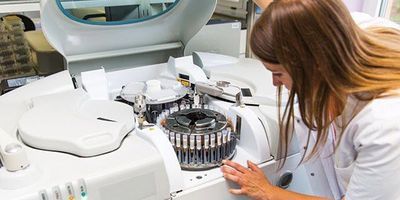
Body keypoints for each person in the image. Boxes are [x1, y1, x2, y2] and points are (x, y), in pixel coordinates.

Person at [220, 0, 400, 199]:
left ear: (314, 65)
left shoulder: (382, 125)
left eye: (278, 73)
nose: (274, 83)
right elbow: (296, 15)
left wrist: (268, 191)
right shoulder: (339, 34)